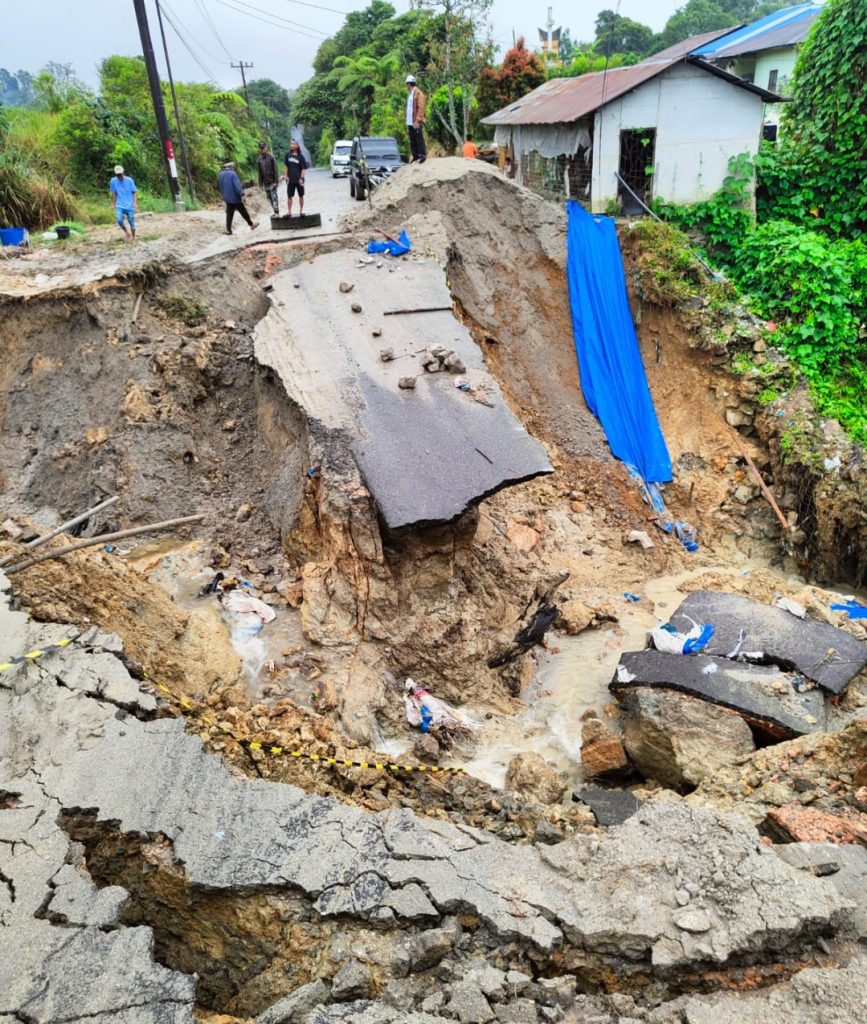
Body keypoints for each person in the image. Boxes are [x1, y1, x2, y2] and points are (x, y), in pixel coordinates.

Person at [217, 161, 258, 235]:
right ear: (231, 166)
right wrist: (242, 194)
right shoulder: (233, 174)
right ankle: (251, 225)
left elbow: (220, 186)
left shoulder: (221, 174)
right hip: (235, 197)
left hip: (227, 198)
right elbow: (237, 186)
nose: (234, 168)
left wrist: (224, 195)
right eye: (233, 167)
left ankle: (228, 229)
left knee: (229, 214)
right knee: (243, 211)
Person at [109, 165, 138, 240]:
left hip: (129, 204)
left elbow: (134, 192)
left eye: (120, 174)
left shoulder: (129, 180)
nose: (119, 176)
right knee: (119, 220)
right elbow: (114, 193)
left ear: (123, 173)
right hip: (120, 204)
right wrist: (113, 204)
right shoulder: (113, 181)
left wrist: (135, 203)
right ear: (116, 175)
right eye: (118, 175)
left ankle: (133, 237)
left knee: (131, 221)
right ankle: (126, 232)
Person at [405, 75, 427, 164]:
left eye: (406, 84)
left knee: (418, 138)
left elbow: (421, 108)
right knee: (412, 139)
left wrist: (418, 120)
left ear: (409, 84)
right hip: (410, 121)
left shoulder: (418, 93)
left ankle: (422, 155)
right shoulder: (411, 94)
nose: (406, 86)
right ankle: (415, 155)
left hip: (415, 121)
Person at [283, 139, 308, 216]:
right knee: (289, 196)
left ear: (297, 146)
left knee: (301, 195)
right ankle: (289, 212)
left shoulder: (301, 157)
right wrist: (286, 176)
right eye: (291, 144)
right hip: (291, 179)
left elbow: (303, 169)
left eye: (293, 144)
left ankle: (301, 211)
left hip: (299, 179)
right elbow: (286, 166)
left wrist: (301, 178)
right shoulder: (287, 155)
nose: (292, 145)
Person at [257, 141, 279, 215]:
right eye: (261, 148)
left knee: (274, 197)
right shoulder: (259, 160)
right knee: (269, 198)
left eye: (263, 148)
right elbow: (260, 173)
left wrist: (276, 181)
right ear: (259, 149)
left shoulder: (271, 156)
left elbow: (276, 169)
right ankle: (274, 211)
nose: (262, 150)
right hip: (265, 183)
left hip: (272, 181)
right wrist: (260, 184)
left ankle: (277, 212)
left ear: (266, 148)